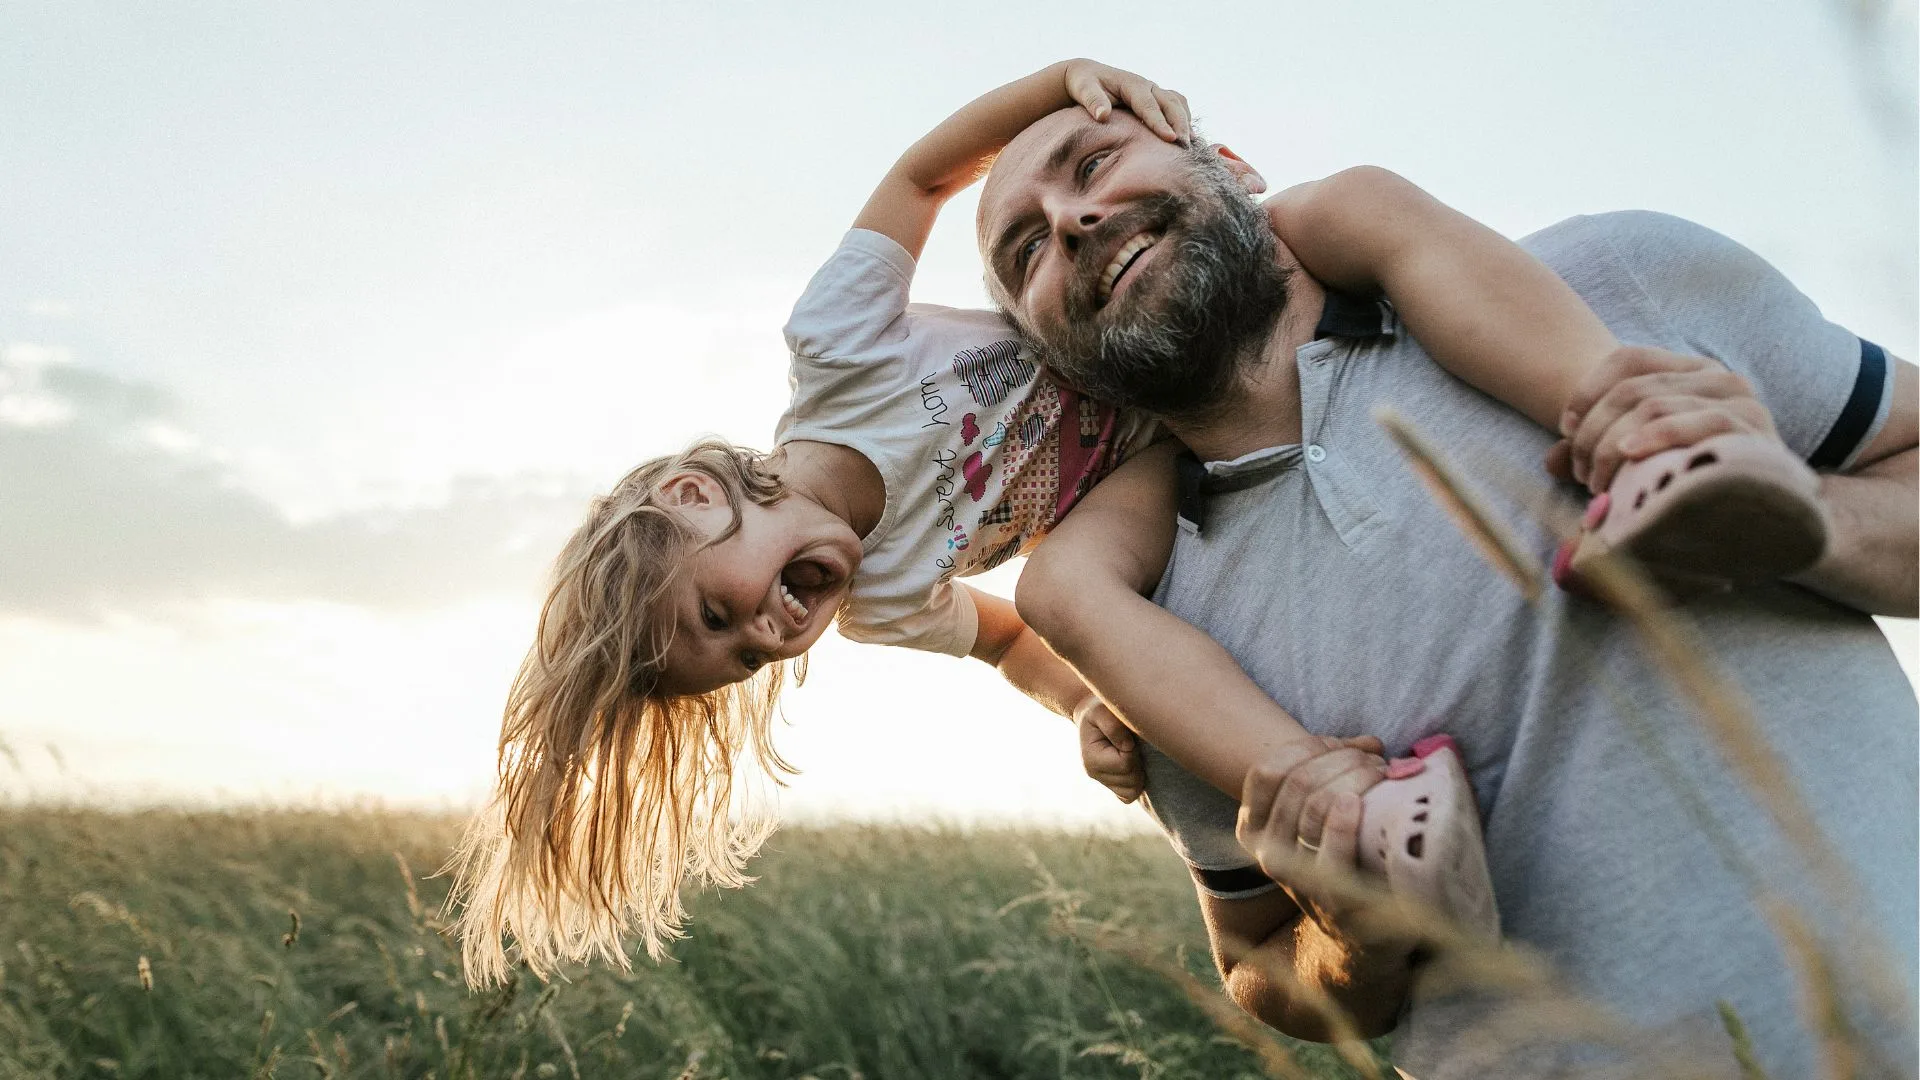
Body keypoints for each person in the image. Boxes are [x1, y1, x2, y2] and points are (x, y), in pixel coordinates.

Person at [449, 58, 1821, 993]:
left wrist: (1063, 88)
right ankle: (1347, 815)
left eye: (720, 612)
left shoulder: (837, 349)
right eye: (748, 658)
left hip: (1151, 353)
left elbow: (927, 169)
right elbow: (1003, 641)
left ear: (698, 499)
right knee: (1063, 597)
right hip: (1141, 450)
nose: (773, 629)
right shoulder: (875, 605)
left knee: (1348, 202)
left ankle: (1638, 429)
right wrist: (1091, 711)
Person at [985, 102, 1918, 1078]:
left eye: (1094, 162)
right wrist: (1355, 937)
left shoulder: (1615, 280)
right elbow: (1258, 964)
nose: (1071, 222)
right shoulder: (1147, 635)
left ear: (1230, 165)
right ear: (1047, 349)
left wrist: (1807, 513)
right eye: (1024, 252)